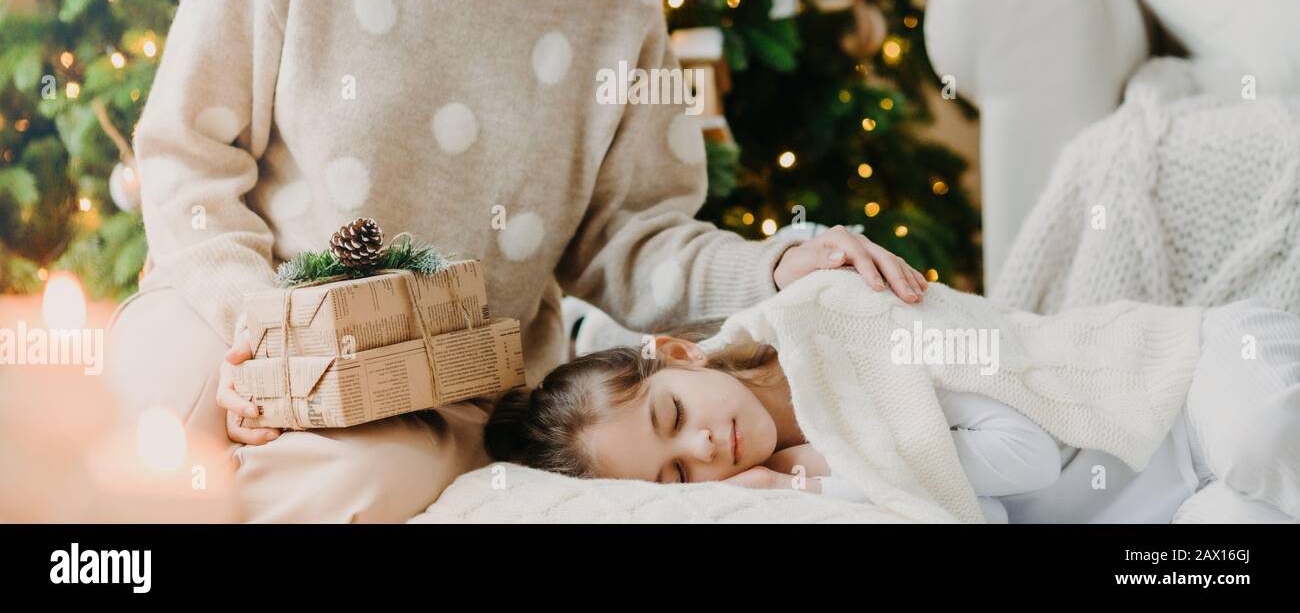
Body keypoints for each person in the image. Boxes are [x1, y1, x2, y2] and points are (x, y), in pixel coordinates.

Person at [105, 0, 927, 523]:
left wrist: (780, 262)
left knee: (352, 489)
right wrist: (261, 336)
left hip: (440, 385)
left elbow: (629, 235)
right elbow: (186, 153)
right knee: (174, 434)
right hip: (229, 311)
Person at [484, 293, 1300, 523]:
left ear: (678, 354)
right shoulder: (789, 489)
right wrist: (807, 485)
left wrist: (834, 461)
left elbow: (1028, 456)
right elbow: (982, 513)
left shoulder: (836, 326)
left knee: (1258, 433)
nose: (706, 449)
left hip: (1186, 383)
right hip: (1173, 502)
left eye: (672, 417)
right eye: (675, 476)